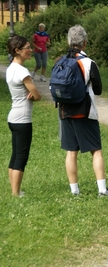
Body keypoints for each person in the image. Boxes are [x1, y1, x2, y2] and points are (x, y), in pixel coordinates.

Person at [58, 25, 108, 197]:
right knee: (96, 150)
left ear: (69, 41)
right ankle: (102, 190)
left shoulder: (60, 61)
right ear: (84, 43)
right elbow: (98, 90)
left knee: (71, 151)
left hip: (65, 111)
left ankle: (75, 191)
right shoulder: (89, 63)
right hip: (85, 112)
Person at [6, 35, 42, 197]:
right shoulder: (22, 71)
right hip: (22, 119)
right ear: (17, 51)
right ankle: (16, 192)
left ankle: (14, 189)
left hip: (13, 117)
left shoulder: (10, 69)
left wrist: (31, 93)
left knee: (15, 155)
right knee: (21, 155)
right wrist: (33, 94)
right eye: (27, 48)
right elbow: (37, 95)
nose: (30, 50)